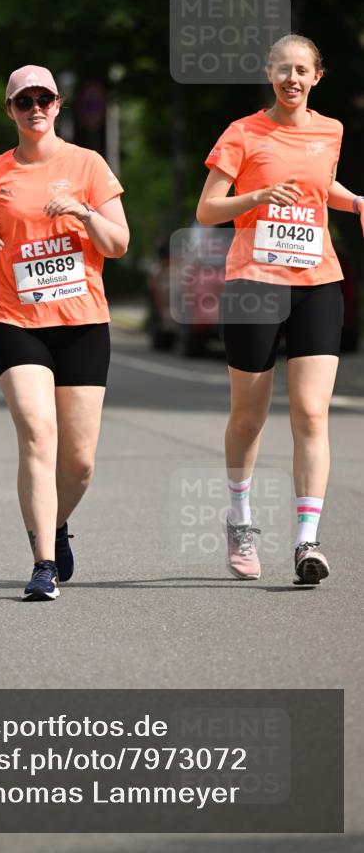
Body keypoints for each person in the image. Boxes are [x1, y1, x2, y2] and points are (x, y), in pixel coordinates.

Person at [197, 34, 363, 586]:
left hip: (318, 280)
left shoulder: (330, 131)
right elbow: (207, 210)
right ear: (269, 74)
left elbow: (320, 188)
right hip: (254, 285)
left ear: (317, 76)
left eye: (302, 70)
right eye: (283, 69)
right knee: (249, 416)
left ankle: (306, 542)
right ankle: (240, 519)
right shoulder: (243, 133)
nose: (292, 78)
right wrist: (256, 198)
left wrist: (357, 201)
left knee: (312, 414)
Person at [0, 65, 129, 600]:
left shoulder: (88, 165)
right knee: (38, 434)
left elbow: (118, 244)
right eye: (24, 100)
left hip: (82, 323)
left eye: (45, 99)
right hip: (17, 320)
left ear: (58, 106)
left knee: (79, 461)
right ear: (10, 110)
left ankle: (55, 524)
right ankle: (43, 564)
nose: (35, 108)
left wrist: (82, 212)